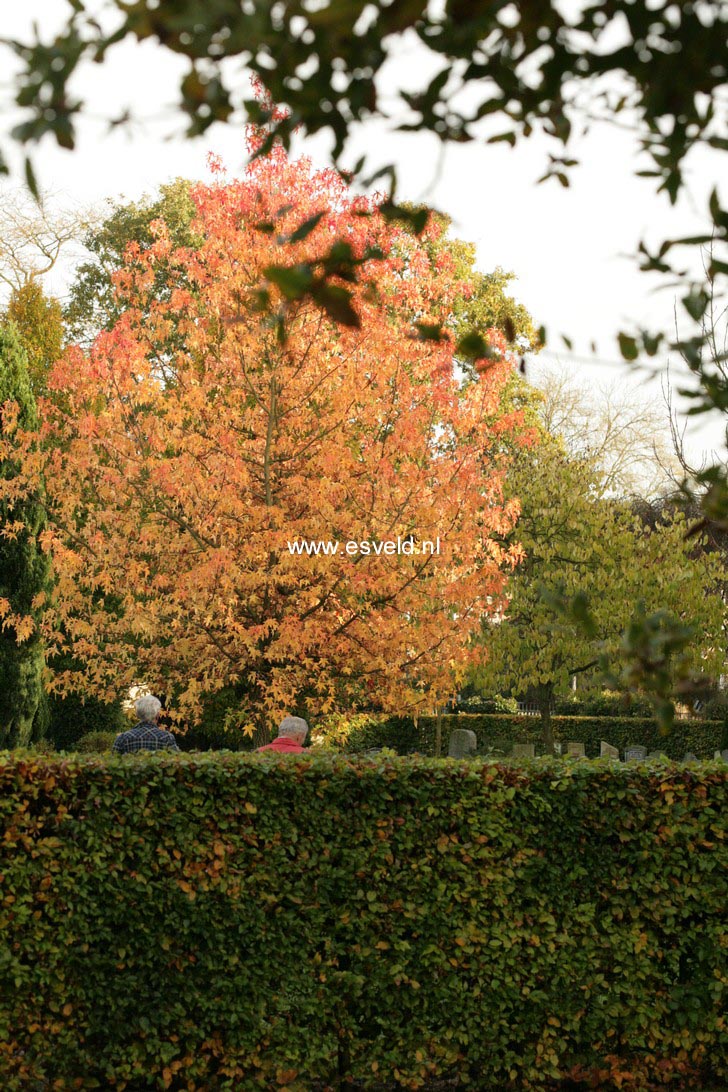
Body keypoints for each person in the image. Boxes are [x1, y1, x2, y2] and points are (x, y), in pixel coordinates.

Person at [112, 695, 180, 754]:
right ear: (157, 715)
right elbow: (176, 762)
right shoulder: (167, 737)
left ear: (137, 715)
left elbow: (112, 762)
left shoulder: (123, 738)